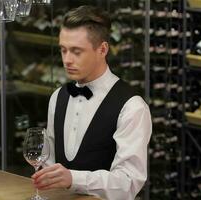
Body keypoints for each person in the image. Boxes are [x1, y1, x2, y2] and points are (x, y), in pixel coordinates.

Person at [31, 5, 152, 200]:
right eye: (63, 50)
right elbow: (49, 161)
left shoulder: (132, 107)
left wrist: (73, 178)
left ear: (102, 49)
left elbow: (128, 182)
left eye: (76, 51)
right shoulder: (58, 97)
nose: (67, 60)